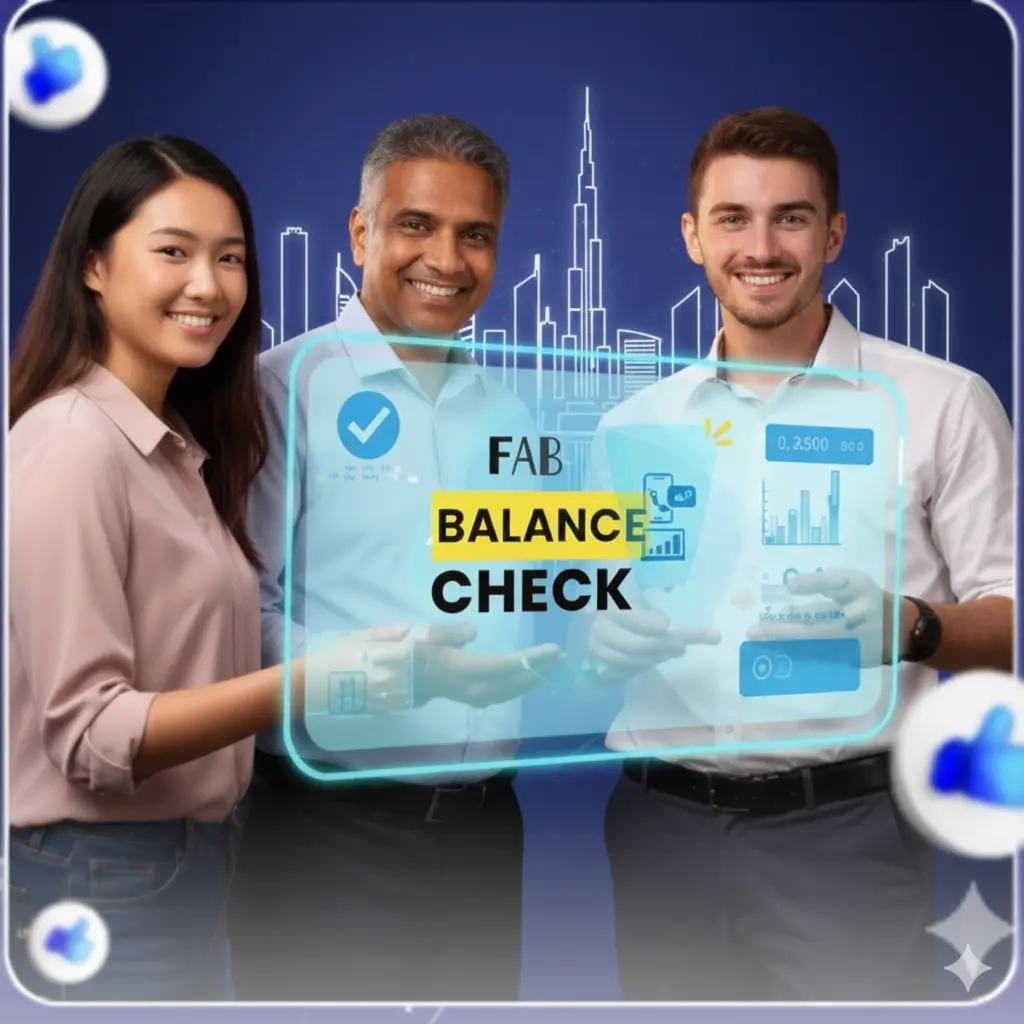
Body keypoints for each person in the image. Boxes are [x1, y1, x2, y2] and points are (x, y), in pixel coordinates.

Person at [588, 108, 1014, 1001]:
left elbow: (1011, 623)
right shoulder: (635, 426)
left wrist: (911, 625)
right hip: (657, 834)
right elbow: (605, 611)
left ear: (834, 233)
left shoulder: (943, 403)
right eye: (733, 218)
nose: (762, 246)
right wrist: (608, 640)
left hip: (848, 835)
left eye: (791, 216)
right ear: (692, 236)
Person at [6, 136, 412, 1002]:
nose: (209, 285)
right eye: (172, 252)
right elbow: (91, 738)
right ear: (92, 266)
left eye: (230, 258)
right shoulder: (73, 445)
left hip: (188, 868)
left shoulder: (173, 449)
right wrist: (308, 682)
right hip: (107, 878)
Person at [228, 114, 561, 1002]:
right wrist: (389, 671)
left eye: (475, 235)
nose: (447, 261)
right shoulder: (276, 393)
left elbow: (527, 591)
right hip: (326, 833)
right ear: (361, 230)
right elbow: (234, 619)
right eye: (417, 224)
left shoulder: (512, 415)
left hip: (490, 833)